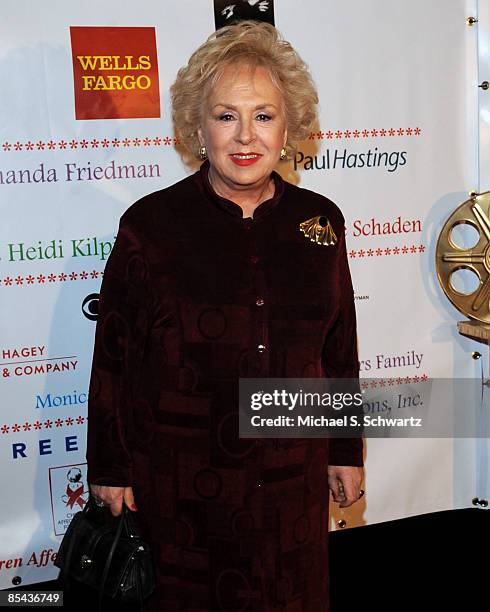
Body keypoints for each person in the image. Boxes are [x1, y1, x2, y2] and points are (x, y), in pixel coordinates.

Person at [86, 20, 364, 611]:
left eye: (264, 115)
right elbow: (114, 358)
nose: (245, 136)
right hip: (183, 493)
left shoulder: (321, 222)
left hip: (293, 486)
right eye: (225, 115)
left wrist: (344, 447)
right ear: (197, 125)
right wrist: (111, 467)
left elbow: (338, 347)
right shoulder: (151, 227)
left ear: (290, 127)